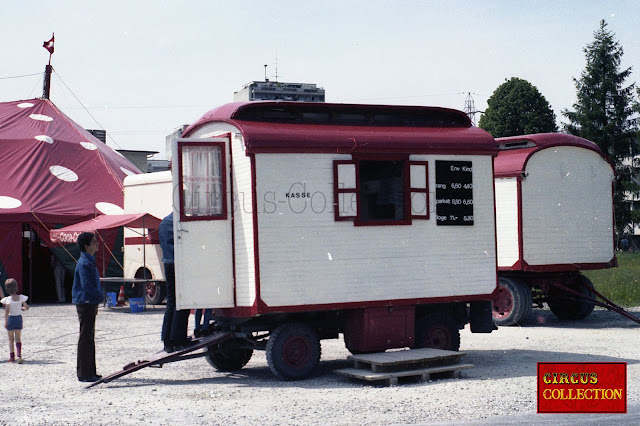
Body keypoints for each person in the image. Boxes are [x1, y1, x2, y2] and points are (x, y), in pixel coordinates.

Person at [72, 232, 103, 382]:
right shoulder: (84, 263)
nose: (97, 244)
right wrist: (98, 295)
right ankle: (84, 373)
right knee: (85, 337)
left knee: (89, 337)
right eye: (94, 242)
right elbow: (87, 285)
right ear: (86, 246)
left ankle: (91, 371)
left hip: (90, 302)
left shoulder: (89, 260)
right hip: (86, 302)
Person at [159, 212, 189, 352]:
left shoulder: (164, 222)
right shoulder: (181, 221)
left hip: (167, 263)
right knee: (183, 301)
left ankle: (167, 340)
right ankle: (179, 338)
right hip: (180, 263)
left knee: (171, 302)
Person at [2, 278, 29, 363]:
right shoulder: (21, 297)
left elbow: (7, 312)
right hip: (18, 318)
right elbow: (27, 307)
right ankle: (19, 355)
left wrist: (5, 321)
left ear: (6, 289)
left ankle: (12, 356)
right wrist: (22, 308)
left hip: (11, 318)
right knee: (18, 338)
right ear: (16, 287)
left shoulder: (7, 300)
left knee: (10, 339)